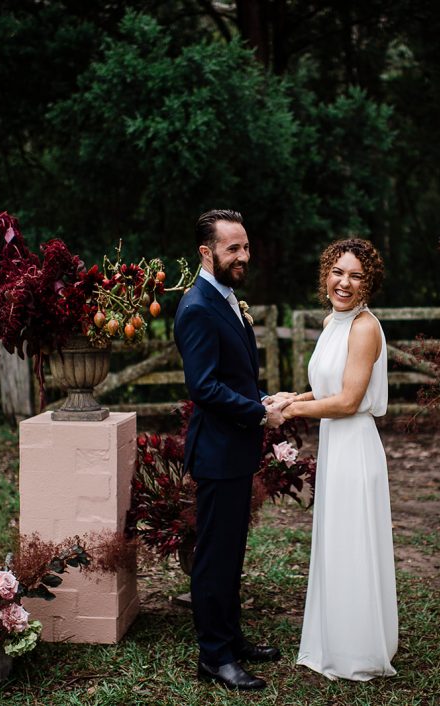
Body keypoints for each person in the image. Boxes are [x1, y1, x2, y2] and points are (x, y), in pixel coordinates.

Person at [172, 209, 289, 691]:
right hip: (218, 454)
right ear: (207, 252)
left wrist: (258, 398)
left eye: (245, 246)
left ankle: (231, 638)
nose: (243, 256)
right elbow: (203, 388)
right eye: (232, 248)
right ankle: (213, 656)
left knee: (231, 551)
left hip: (234, 449)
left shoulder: (225, 296)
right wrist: (261, 414)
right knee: (214, 558)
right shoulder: (197, 306)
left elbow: (232, 378)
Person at [277, 238, 398, 681]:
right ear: (326, 274)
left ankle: (359, 650)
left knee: (353, 543)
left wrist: (288, 412)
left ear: (369, 284)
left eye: (356, 276)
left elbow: (348, 402)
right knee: (335, 542)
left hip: (354, 446)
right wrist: (295, 396)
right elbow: (330, 388)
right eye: (338, 272)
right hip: (334, 443)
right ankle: (335, 638)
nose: (344, 283)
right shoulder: (333, 321)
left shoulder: (365, 327)